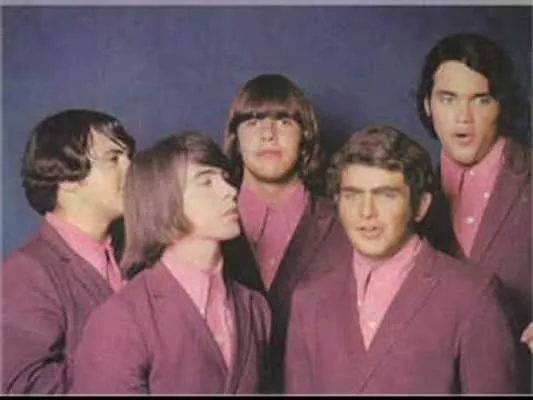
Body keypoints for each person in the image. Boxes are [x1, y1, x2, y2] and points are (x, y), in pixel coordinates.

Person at [284, 125, 526, 394]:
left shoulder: (474, 297)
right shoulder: (309, 301)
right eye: (353, 195)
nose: (366, 212)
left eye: (386, 195)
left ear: (420, 206)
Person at [69, 131, 271, 394]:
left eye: (225, 178)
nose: (230, 191)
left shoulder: (255, 308)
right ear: (162, 201)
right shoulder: (121, 318)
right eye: (206, 182)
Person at [416, 33, 532, 368]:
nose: (463, 117)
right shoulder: (408, 190)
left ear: (501, 106)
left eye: (481, 100)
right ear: (428, 105)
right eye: (448, 99)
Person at [222, 73, 344, 391]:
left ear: (305, 136)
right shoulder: (206, 223)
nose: (268, 134)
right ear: (235, 138)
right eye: (253, 121)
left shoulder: (346, 221)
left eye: (285, 121)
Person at [2, 109, 136, 394]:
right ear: (66, 179)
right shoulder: (27, 273)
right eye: (114, 159)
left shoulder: (138, 256)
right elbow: (22, 386)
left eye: (128, 156)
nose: (132, 167)